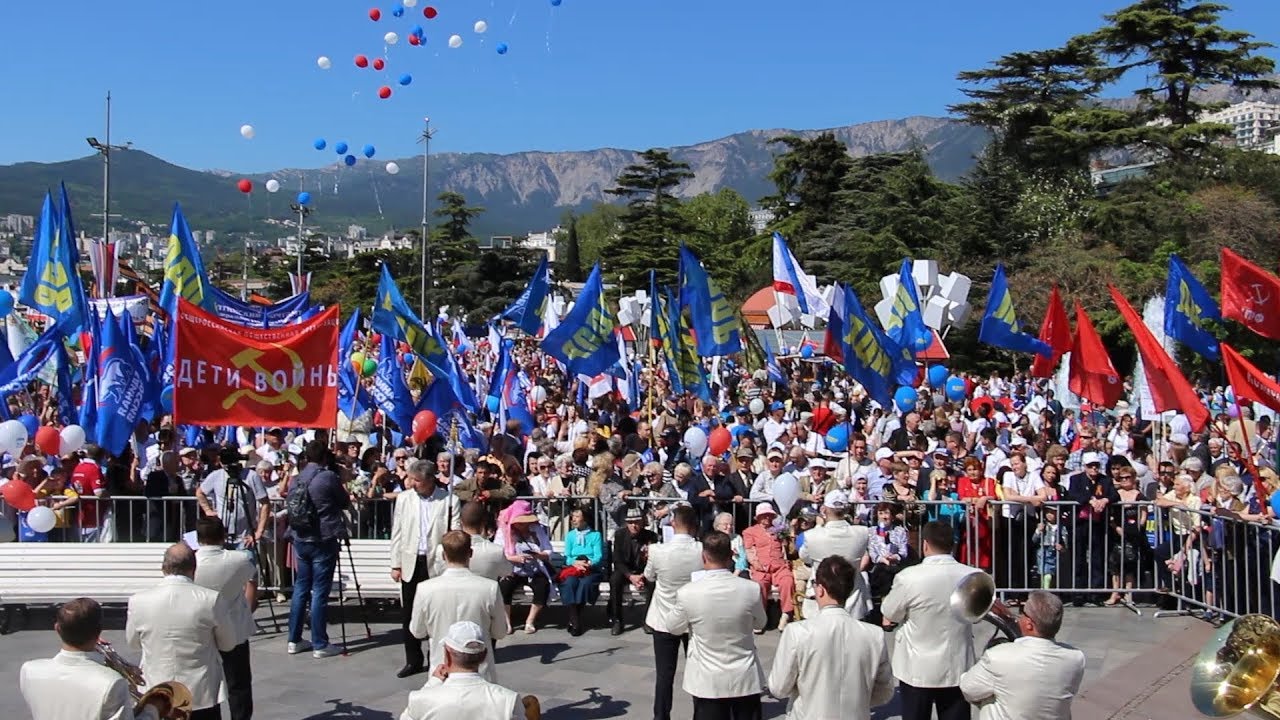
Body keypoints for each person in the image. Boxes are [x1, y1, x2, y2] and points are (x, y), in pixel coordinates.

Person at [767, 556, 895, 719]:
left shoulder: (797, 632)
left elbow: (779, 687)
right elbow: (884, 691)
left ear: (820, 589)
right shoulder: (873, 635)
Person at [126, 544, 238, 720]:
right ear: (194, 569)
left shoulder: (138, 601)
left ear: (164, 568)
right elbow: (228, 644)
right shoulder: (211, 599)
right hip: (201, 693)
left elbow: (133, 642)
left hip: (157, 692)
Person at [881, 520, 978, 720]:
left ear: (925, 545)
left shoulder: (909, 577)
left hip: (917, 668)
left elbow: (890, 612)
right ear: (953, 544)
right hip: (957, 666)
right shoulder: (971, 575)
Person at [668, 530, 767, 720]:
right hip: (744, 676)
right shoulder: (751, 589)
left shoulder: (688, 592)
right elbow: (761, 622)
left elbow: (673, 627)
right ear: (731, 556)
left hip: (708, 681)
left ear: (703, 556)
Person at [21, 597, 166, 720]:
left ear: (57, 628)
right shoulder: (112, 683)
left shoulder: (29, 670)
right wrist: (153, 709)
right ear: (99, 631)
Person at [960, 590, 1087, 719]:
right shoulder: (1076, 658)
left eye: (1022, 612)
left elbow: (968, 689)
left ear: (1029, 624)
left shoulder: (998, 656)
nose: (1018, 616)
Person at [390, 460, 463, 678]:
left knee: (438, 613)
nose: (413, 484)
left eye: (418, 481)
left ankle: (438, 657)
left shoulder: (449, 500)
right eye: (411, 479)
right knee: (410, 614)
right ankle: (413, 659)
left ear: (431, 480)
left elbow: (455, 530)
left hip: (436, 563)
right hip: (412, 560)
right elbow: (398, 532)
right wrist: (396, 564)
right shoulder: (404, 499)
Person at [409, 531, 507, 682]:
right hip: (480, 672)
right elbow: (500, 632)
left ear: (443, 555)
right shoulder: (490, 588)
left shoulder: (425, 589)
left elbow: (417, 631)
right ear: (471, 553)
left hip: (442, 670)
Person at [286, 441, 350, 659]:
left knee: (301, 587)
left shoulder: (297, 478)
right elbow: (344, 502)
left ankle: (294, 639)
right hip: (323, 538)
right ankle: (319, 643)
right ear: (325, 457)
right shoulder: (328, 477)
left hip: (300, 537)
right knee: (320, 591)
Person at [192, 517, 258, 720]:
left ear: (198, 537)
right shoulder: (239, 559)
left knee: (206, 684)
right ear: (223, 535)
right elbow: (252, 582)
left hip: (201, 629)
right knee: (238, 684)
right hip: (234, 626)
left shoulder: (191, 561)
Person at [645, 504, 704, 720]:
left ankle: (661, 717)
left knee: (664, 675)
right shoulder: (701, 549)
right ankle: (700, 714)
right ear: (694, 526)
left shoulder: (657, 550)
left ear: (673, 523)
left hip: (665, 617)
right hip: (692, 618)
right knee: (697, 671)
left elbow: (649, 576)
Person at [400, 621, 527, 720]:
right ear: (484, 656)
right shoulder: (508, 700)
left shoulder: (420, 699)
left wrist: (432, 684)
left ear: (447, 655)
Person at [797, 491, 871, 618]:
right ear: (846, 509)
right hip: (852, 600)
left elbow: (804, 557)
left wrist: (819, 526)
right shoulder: (862, 533)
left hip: (822, 599)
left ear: (824, 509)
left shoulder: (813, 535)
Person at [495, 499, 554, 634]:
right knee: (504, 586)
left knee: (542, 585)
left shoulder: (537, 529)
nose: (524, 525)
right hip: (512, 567)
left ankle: (530, 621)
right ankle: (506, 622)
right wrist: (514, 558)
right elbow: (498, 552)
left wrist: (539, 555)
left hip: (534, 567)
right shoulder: (504, 530)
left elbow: (548, 550)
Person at [742, 502, 796, 629]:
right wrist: (757, 565)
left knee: (787, 581)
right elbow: (749, 551)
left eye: (769, 515)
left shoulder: (779, 530)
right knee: (760, 584)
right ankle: (760, 617)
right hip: (761, 567)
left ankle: (786, 614)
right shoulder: (749, 532)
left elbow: (789, 551)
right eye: (764, 515)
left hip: (779, 566)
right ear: (758, 517)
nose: (767, 518)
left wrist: (789, 537)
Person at [432, 501, 510, 581]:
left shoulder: (442, 549)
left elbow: (437, 571)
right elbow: (507, 571)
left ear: (460, 522)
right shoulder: (496, 550)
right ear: (483, 522)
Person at [610, 506, 658, 634]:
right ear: (626, 523)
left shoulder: (651, 536)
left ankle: (648, 620)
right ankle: (617, 620)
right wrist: (630, 576)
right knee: (615, 580)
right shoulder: (620, 535)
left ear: (642, 522)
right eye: (631, 523)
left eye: (637, 522)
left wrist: (643, 575)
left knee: (654, 582)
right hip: (626, 570)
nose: (634, 526)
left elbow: (653, 561)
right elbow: (617, 560)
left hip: (644, 570)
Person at [558, 507, 604, 636]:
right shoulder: (571, 535)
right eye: (573, 516)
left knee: (585, 584)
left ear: (585, 519)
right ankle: (576, 621)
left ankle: (574, 620)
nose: (574, 519)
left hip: (590, 568)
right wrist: (575, 563)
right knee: (570, 583)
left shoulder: (595, 535)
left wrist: (587, 564)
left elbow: (598, 556)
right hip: (574, 568)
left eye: (577, 516)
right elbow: (567, 556)